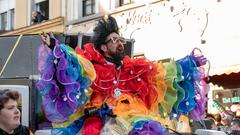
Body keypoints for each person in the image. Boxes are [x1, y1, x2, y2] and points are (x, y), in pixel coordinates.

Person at [37, 15, 209, 134]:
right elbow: (75, 66)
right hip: (99, 119)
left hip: (130, 116)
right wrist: (55, 46)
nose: (120, 43)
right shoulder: (92, 66)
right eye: (115, 40)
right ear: (104, 47)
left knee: (146, 129)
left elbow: (162, 72)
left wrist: (189, 63)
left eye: (121, 40)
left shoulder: (133, 68)